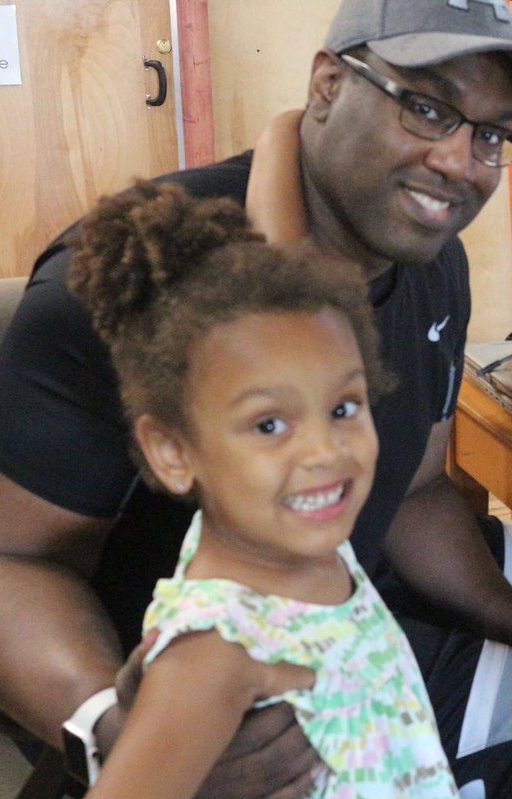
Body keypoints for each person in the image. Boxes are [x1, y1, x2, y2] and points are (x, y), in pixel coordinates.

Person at [0, 1, 512, 797]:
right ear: (326, 84)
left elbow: (414, 486)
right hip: (157, 643)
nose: (460, 162)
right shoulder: (142, 283)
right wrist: (114, 727)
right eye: (426, 108)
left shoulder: (432, 264)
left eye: (491, 133)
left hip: (339, 566)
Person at [70, 180, 457, 799]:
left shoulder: (293, 540)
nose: (325, 452)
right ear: (174, 452)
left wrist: (286, 129)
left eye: (344, 406)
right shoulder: (216, 652)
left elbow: (288, 265)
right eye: (269, 424)